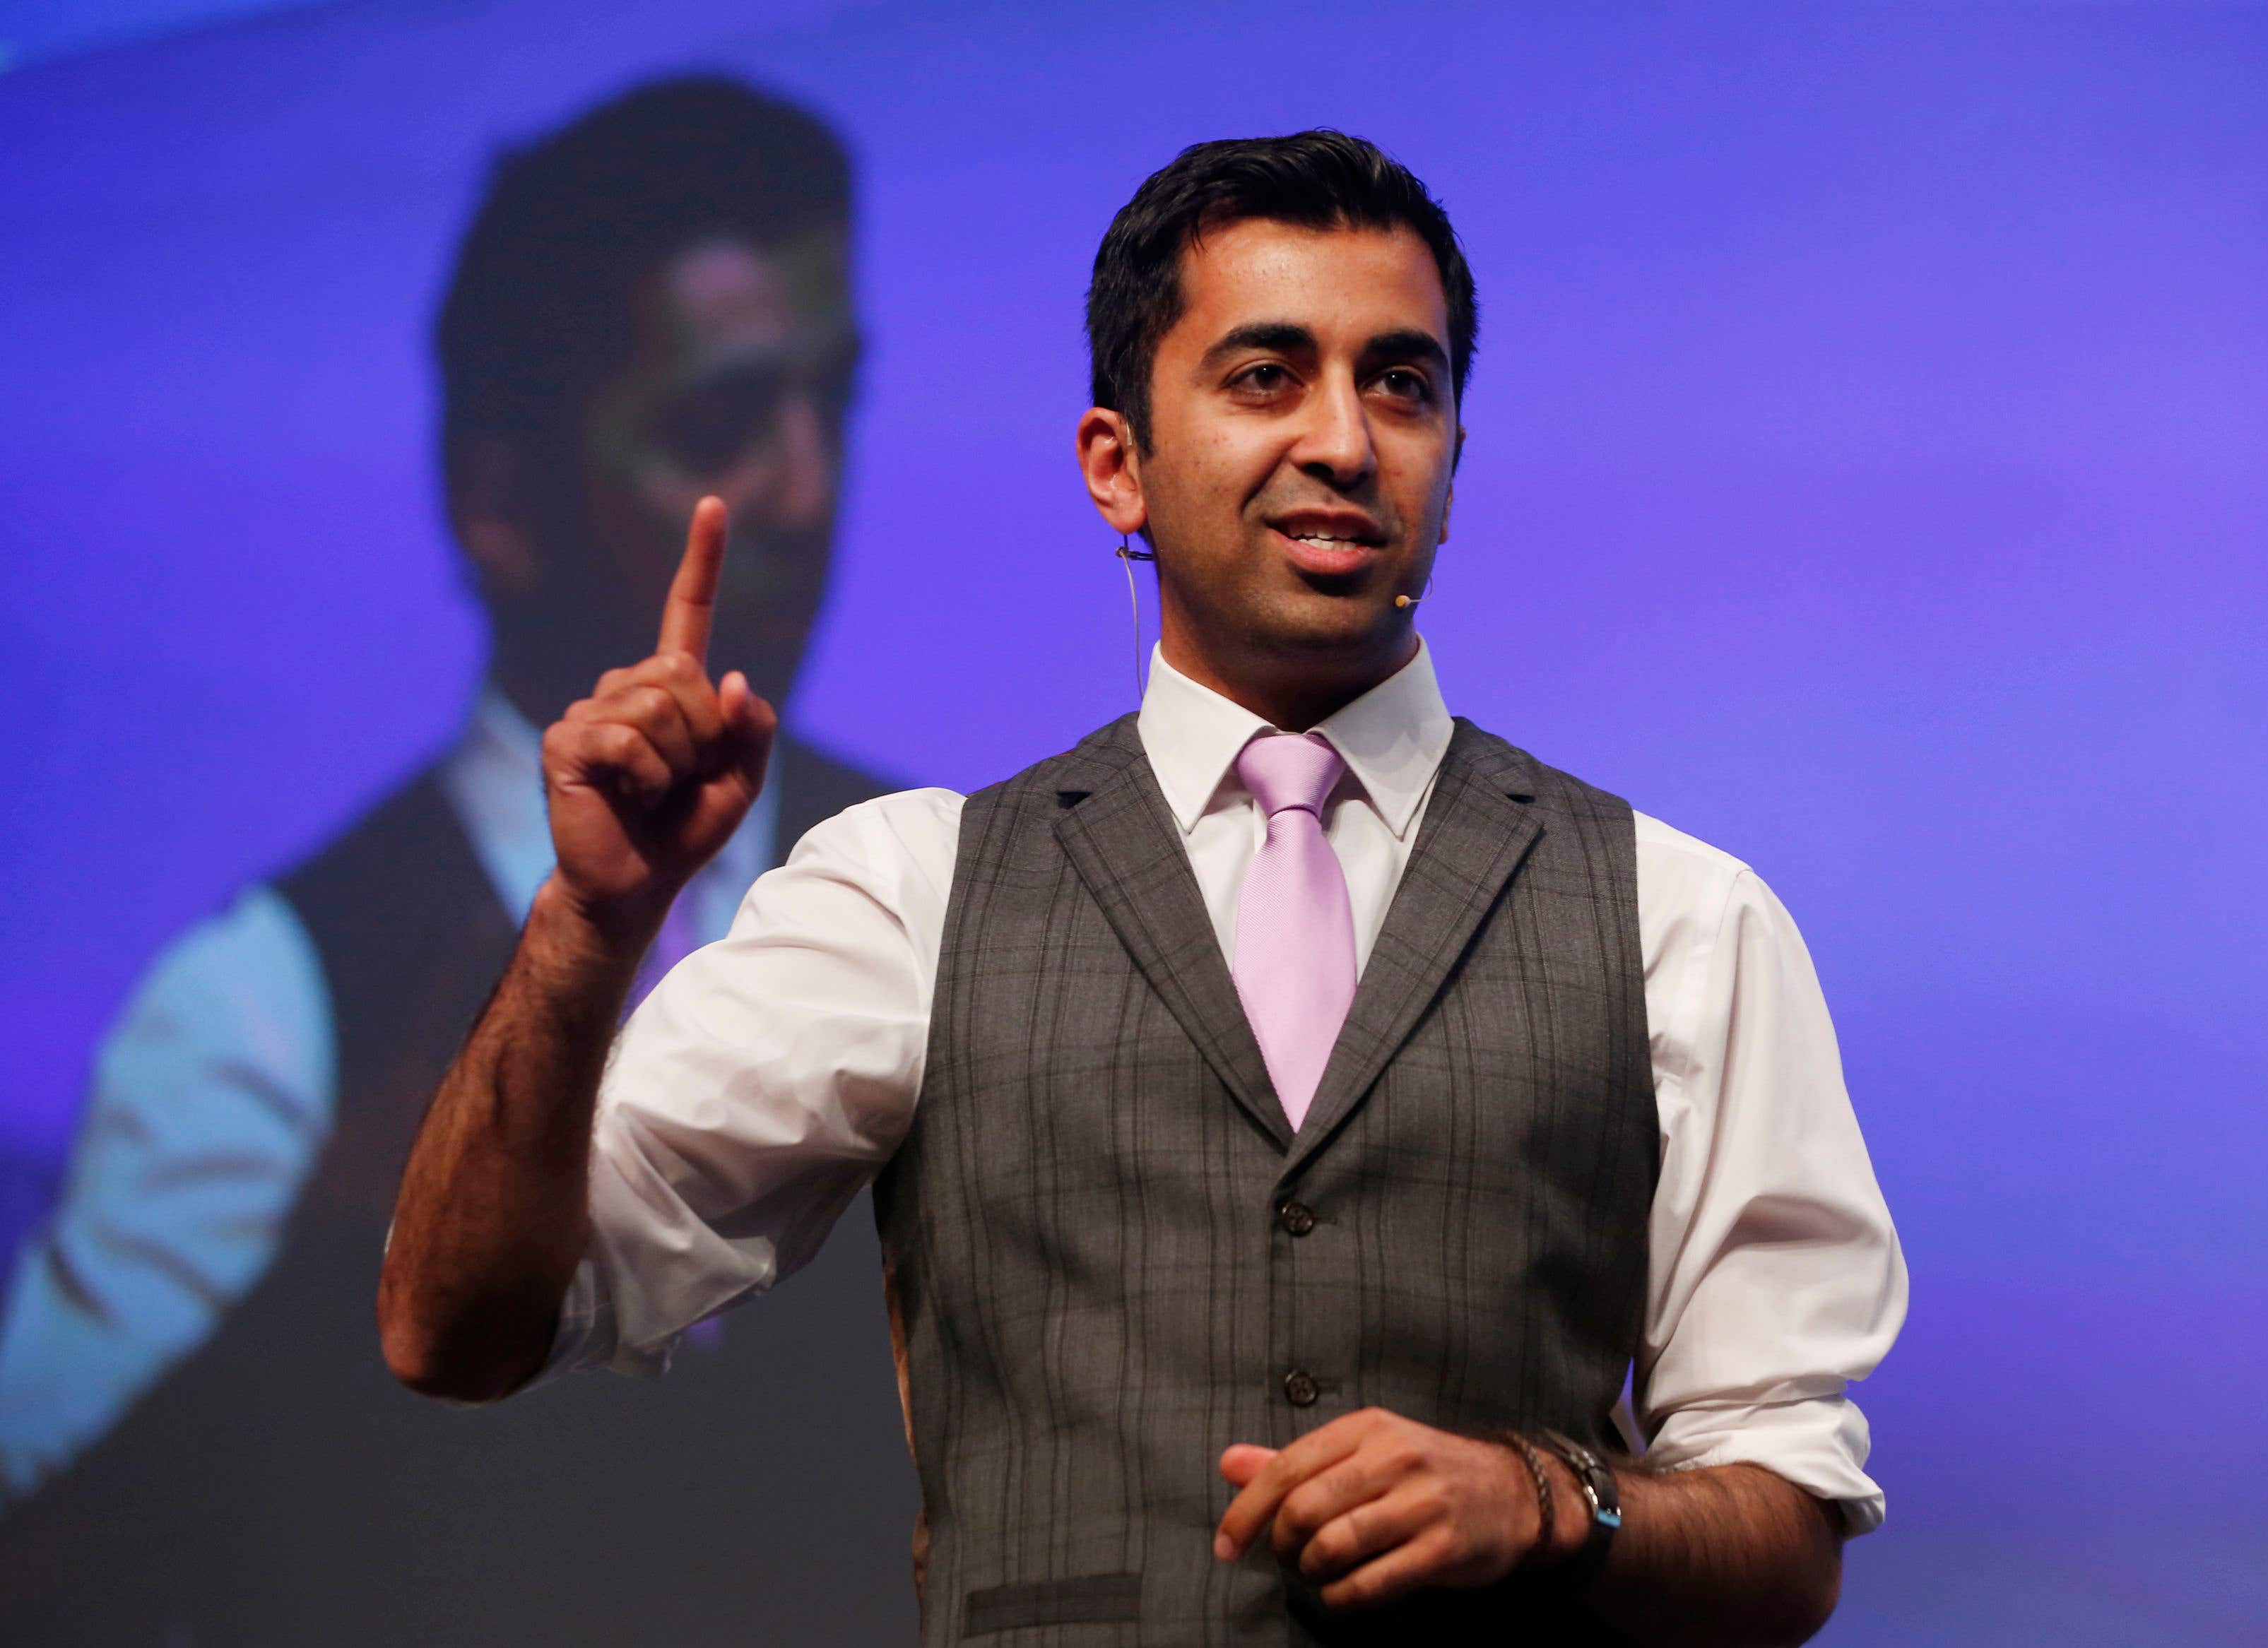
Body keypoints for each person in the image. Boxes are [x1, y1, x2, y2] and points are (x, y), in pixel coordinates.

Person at [382, 131, 1907, 1644]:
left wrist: (1546, 1502)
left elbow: (1784, 1538)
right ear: (1118, 463)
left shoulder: (1678, 915)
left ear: (1450, 463)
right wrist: (590, 927)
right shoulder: (912, 889)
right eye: (1265, 376)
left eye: (1402, 382)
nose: (1346, 439)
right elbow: (456, 1329)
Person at [0, 77, 917, 1643]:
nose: (810, 491)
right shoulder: (273, 1005)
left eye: (831, 399)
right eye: (719, 422)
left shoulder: (925, 883)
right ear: (498, 499)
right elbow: (51, 1544)